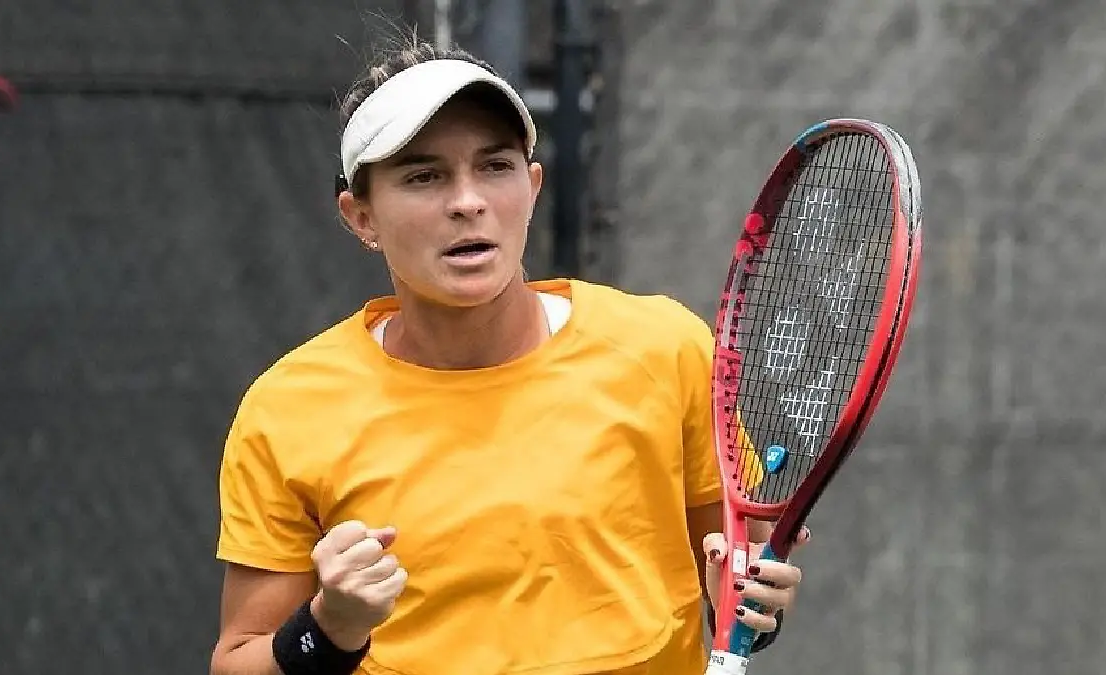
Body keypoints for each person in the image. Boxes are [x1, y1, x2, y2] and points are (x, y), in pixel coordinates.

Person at [208, 32, 809, 675]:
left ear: (532, 186)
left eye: (494, 166)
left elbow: (732, 585)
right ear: (361, 217)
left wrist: (750, 607)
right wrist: (329, 628)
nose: (468, 202)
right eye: (424, 176)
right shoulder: (289, 409)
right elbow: (238, 662)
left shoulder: (667, 350)